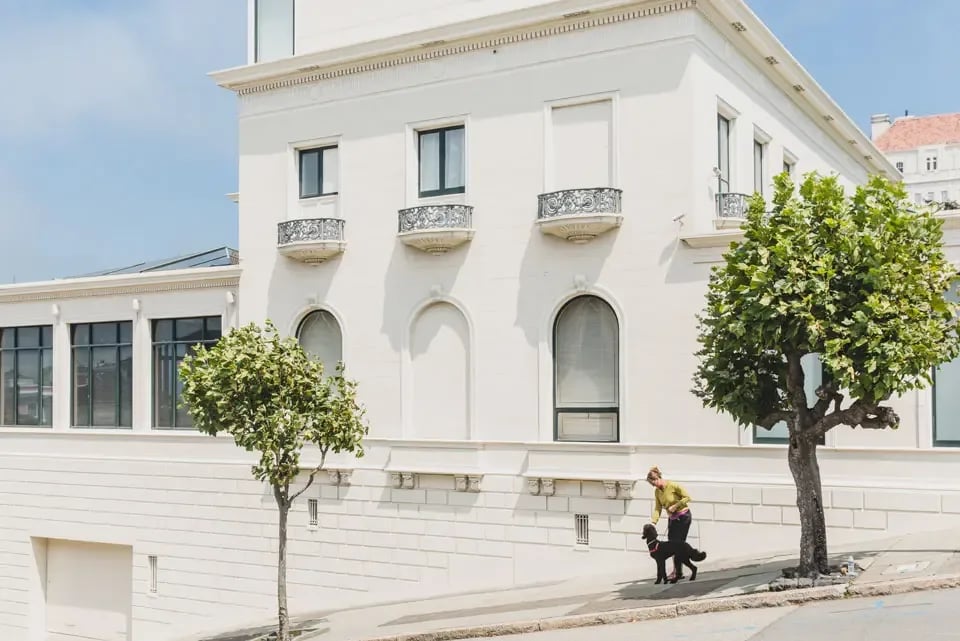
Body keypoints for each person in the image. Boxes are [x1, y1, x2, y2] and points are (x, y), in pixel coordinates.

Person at [647, 466, 693, 581]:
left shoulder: (673, 486)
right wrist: (653, 522)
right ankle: (678, 571)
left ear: (658, 478)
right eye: (652, 485)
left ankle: (677, 571)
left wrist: (676, 505)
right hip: (672, 518)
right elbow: (658, 508)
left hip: (683, 517)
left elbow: (688, 497)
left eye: (655, 483)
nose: (655, 486)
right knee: (672, 545)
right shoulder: (657, 492)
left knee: (678, 544)